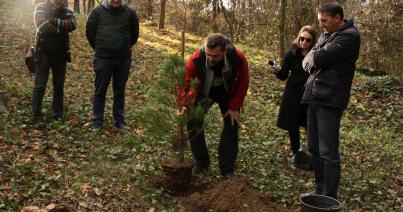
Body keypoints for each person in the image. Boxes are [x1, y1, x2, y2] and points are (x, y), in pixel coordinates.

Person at [302, 3, 360, 199]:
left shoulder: (349, 36)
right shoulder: (327, 35)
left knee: (328, 152)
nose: (321, 25)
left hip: (330, 100)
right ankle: (319, 189)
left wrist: (313, 58)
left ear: (338, 17)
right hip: (314, 96)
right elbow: (308, 59)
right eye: (320, 21)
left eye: (324, 21)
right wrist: (312, 57)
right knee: (314, 149)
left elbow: (318, 58)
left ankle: (329, 196)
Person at [179, 33, 250, 179]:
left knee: (232, 122)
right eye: (208, 54)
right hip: (204, 91)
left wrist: (234, 106)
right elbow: (185, 83)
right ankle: (202, 162)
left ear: (224, 51)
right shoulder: (196, 59)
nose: (210, 58)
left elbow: (243, 81)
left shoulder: (237, 58)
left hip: (226, 91)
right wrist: (185, 104)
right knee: (193, 121)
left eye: (215, 56)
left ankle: (227, 168)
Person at [86, 0, 139, 132]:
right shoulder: (96, 12)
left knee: (119, 91)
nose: (116, 0)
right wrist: (101, 48)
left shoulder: (130, 13)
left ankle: (119, 121)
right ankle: (97, 121)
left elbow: (134, 36)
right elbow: (90, 33)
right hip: (103, 58)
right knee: (100, 90)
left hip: (123, 59)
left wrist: (123, 47)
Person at [271, 25, 317, 159]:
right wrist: (278, 71)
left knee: (310, 124)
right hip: (292, 93)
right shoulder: (292, 52)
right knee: (292, 123)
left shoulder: (316, 54)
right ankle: (296, 153)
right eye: (302, 38)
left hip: (310, 93)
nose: (304, 42)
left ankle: (312, 154)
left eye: (308, 40)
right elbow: (284, 75)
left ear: (313, 41)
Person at [32, 0, 76, 121]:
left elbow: (73, 25)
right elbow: (41, 24)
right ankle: (37, 114)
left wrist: (53, 21)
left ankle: (58, 114)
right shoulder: (41, 7)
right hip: (43, 53)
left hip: (61, 55)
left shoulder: (67, 11)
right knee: (40, 85)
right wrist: (61, 27)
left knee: (59, 86)